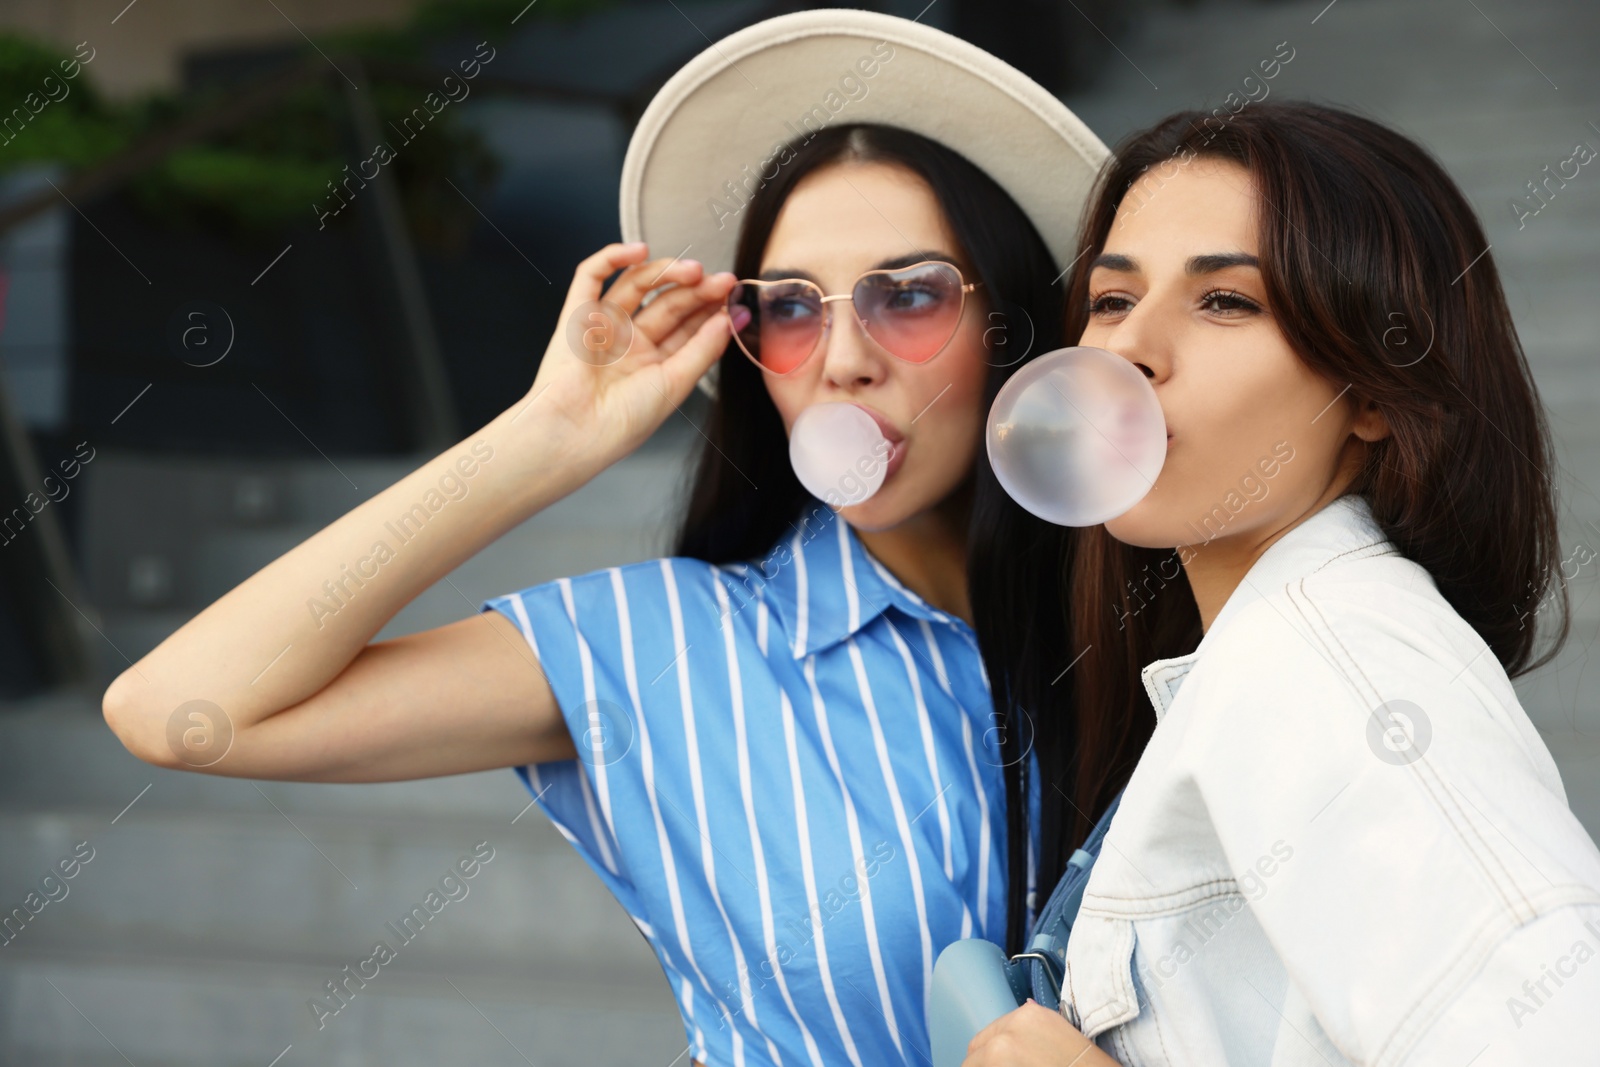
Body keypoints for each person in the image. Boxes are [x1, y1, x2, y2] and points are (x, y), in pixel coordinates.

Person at [100, 10, 1116, 1066]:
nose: (844, 360)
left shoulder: (1152, 623)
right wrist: (547, 440)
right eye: (790, 309)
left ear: (1015, 327)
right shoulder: (666, 645)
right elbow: (179, 712)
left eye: (907, 295)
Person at [961, 99, 1600, 1065]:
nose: (1132, 350)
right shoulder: (1263, 656)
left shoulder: (1337, 662)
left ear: (1376, 392)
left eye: (1225, 301)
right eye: (1112, 299)